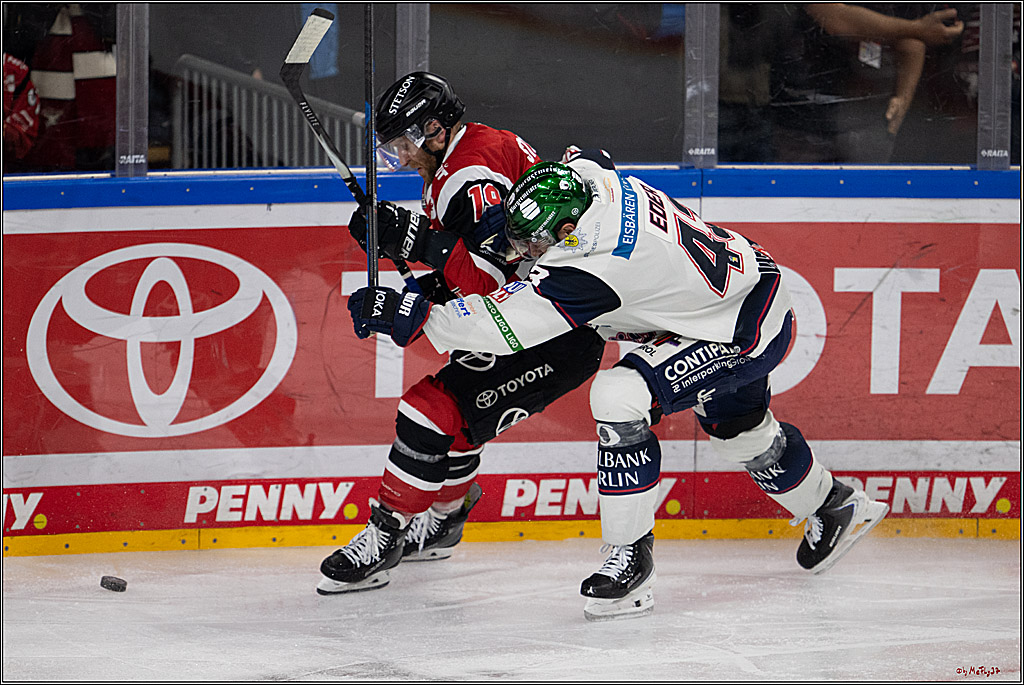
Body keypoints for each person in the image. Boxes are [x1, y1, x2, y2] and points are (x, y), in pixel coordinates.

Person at [346, 150, 890, 621]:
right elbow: (576, 169)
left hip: (738, 328)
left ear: (566, 233)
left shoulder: (594, 269)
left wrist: (408, 313)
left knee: (617, 394)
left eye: (537, 244)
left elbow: (497, 325)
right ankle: (834, 505)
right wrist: (428, 243)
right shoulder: (593, 179)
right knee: (740, 431)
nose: (528, 256)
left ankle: (630, 557)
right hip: (740, 295)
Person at [317, 73, 606, 594]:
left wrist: (415, 240)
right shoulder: (475, 145)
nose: (399, 155)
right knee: (460, 416)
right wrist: (403, 242)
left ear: (433, 128)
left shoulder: (466, 177)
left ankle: (388, 536)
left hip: (552, 329)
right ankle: (444, 522)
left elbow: (489, 279)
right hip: (541, 316)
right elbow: (472, 266)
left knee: (428, 410)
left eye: (404, 142)